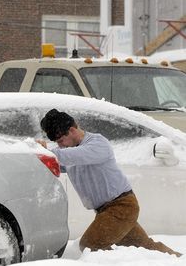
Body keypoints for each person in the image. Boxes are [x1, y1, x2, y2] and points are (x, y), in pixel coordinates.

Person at [36, 109, 181, 257]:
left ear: (72, 130)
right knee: (145, 247)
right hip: (106, 211)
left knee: (90, 245)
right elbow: (57, 164)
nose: (60, 146)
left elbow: (70, 156)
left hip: (121, 207)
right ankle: (177, 261)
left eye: (60, 141)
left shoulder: (97, 144)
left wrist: (46, 153)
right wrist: (38, 153)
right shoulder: (71, 150)